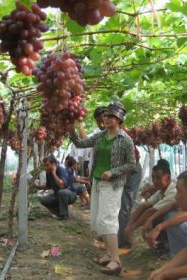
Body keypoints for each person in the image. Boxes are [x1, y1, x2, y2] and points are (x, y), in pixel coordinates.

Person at [70, 102, 135, 276]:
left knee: (108, 220)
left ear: (118, 119)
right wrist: (70, 126)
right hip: (98, 182)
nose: (105, 119)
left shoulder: (125, 140)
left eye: (109, 116)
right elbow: (80, 143)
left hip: (112, 185)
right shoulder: (100, 136)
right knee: (99, 220)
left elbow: (131, 164)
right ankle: (108, 254)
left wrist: (113, 172)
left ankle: (116, 260)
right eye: (105, 116)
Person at [123, 159, 176, 247]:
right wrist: (129, 226)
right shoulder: (160, 191)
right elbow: (143, 206)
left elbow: (151, 211)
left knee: (159, 216)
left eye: (158, 178)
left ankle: (169, 246)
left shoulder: (173, 191)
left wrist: (132, 228)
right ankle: (161, 244)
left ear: (168, 177)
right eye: (153, 177)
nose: (154, 181)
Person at [38, 155, 77, 220]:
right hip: (58, 195)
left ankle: (64, 215)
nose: (45, 167)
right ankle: (58, 212)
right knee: (43, 199)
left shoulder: (61, 169)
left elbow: (61, 185)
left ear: (53, 164)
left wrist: (54, 173)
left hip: (71, 195)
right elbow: (48, 186)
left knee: (61, 192)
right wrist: (36, 186)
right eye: (44, 165)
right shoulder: (48, 173)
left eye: (47, 165)